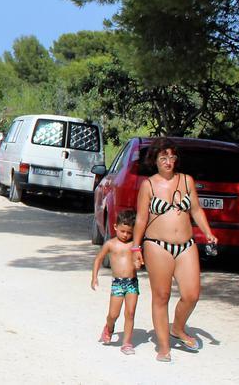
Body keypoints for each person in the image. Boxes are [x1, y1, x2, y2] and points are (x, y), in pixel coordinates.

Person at [132, 138, 218, 362]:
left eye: (171, 157)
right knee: (162, 296)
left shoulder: (187, 181)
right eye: (163, 158)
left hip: (186, 245)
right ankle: (163, 346)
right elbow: (141, 219)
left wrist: (207, 232)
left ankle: (177, 328)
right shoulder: (148, 185)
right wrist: (135, 247)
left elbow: (197, 210)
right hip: (156, 245)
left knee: (191, 295)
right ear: (155, 161)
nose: (168, 162)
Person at [91, 210, 140, 355]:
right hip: (117, 283)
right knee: (113, 314)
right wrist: (94, 277)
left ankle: (126, 343)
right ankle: (109, 327)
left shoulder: (134, 245)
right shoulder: (110, 244)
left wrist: (138, 265)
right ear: (115, 227)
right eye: (123, 231)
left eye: (129, 232)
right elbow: (99, 259)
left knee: (130, 313)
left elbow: (139, 261)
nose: (125, 235)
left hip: (132, 283)